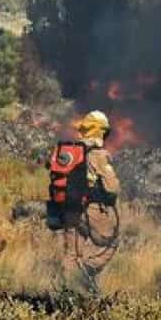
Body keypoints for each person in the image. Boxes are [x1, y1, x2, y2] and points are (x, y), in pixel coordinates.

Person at [47, 110, 121, 292]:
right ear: (100, 131)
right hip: (91, 210)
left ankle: (66, 293)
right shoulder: (98, 154)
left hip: (69, 208)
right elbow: (112, 188)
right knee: (110, 242)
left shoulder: (69, 152)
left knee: (71, 254)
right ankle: (84, 273)